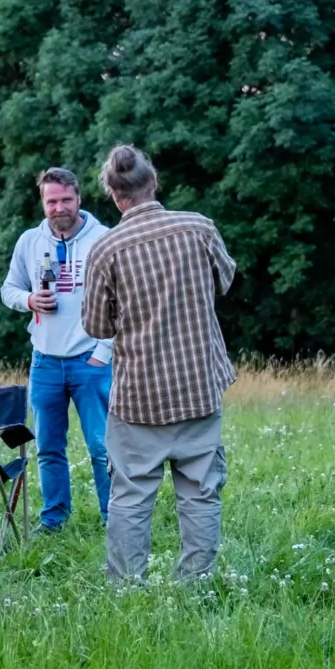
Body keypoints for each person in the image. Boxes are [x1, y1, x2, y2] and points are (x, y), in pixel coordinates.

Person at [79, 143, 238, 584]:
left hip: (138, 396)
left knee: (130, 496)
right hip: (199, 385)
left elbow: (96, 326)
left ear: (114, 194)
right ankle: (196, 582)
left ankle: (127, 589)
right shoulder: (199, 228)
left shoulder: (105, 249)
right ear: (154, 182)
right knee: (201, 493)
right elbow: (224, 280)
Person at [0, 165, 113, 533]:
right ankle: (54, 520)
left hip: (90, 360)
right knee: (48, 447)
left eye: (66, 199)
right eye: (52, 201)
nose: (59, 207)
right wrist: (29, 299)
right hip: (45, 360)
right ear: (43, 202)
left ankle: (115, 517)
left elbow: (124, 302)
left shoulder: (105, 239)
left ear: (79, 198)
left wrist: (103, 352)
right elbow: (8, 289)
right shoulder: (29, 241)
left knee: (102, 447)